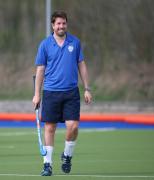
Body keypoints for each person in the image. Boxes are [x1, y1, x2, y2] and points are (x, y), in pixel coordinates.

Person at [32, 11, 92, 176]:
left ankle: (67, 155)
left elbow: (82, 65)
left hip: (71, 92)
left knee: (73, 127)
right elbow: (40, 70)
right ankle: (47, 165)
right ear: (53, 25)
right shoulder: (45, 44)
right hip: (51, 92)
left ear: (66, 24)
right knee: (50, 128)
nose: (61, 26)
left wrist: (87, 88)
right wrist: (37, 94)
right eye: (58, 23)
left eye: (63, 23)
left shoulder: (75, 42)